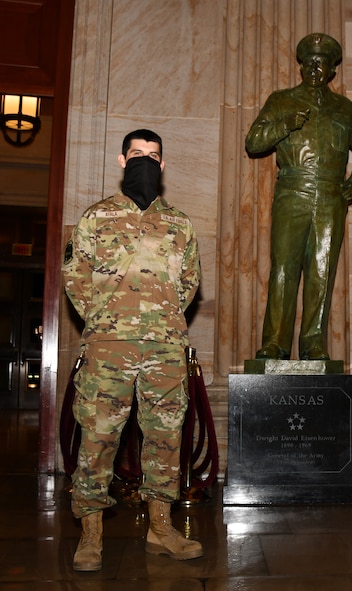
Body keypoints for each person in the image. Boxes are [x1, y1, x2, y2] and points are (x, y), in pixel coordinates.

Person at [62, 129, 203, 571]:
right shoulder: (95, 218)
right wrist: (106, 320)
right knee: (99, 437)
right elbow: (75, 278)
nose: (145, 161)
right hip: (109, 346)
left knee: (165, 437)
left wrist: (159, 321)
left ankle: (161, 528)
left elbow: (189, 284)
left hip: (164, 346)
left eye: (153, 156)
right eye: (137, 154)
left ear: (162, 166)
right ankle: (90, 534)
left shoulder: (180, 224)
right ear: (123, 161)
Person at [245, 32, 352, 361]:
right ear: (301, 66)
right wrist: (283, 125)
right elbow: (254, 142)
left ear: (332, 70)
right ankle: (275, 344)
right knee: (283, 268)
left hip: (331, 195)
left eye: (321, 64)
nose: (314, 69)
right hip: (293, 190)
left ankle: (313, 344)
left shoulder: (344, 109)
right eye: (309, 63)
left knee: (322, 271)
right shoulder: (281, 100)